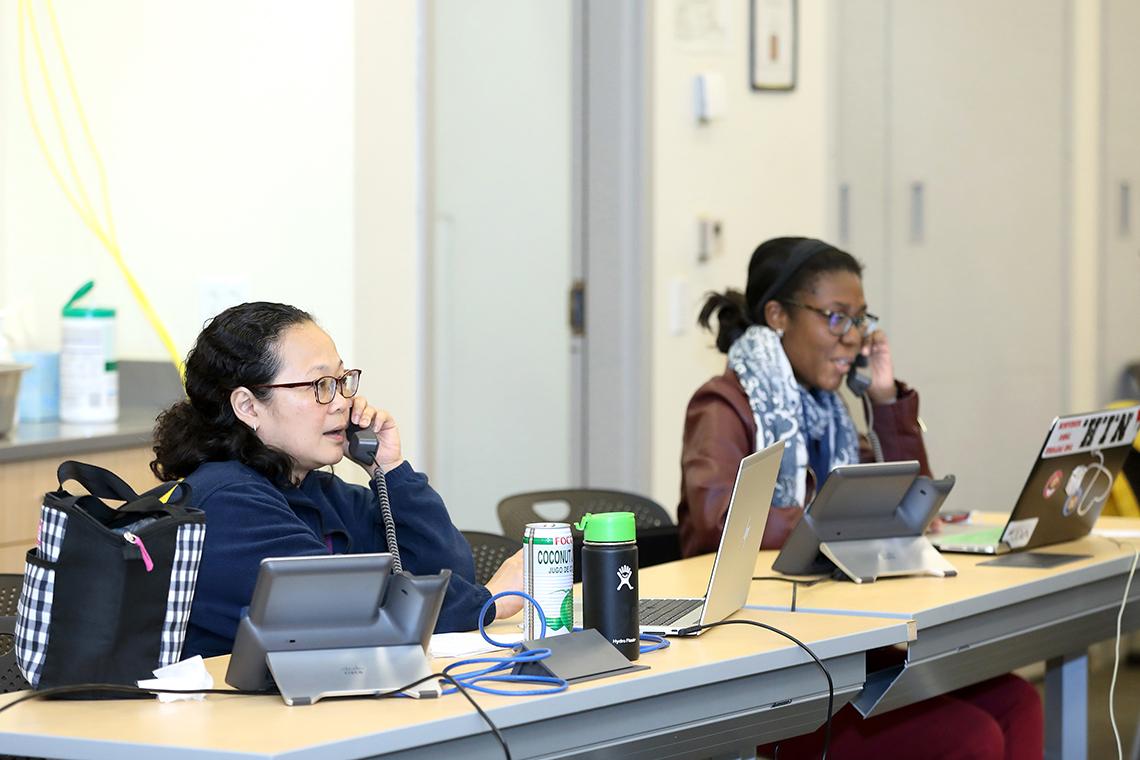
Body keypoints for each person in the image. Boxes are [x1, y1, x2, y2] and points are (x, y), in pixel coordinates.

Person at [679, 238, 1042, 760]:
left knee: (1017, 701)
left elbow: (909, 499)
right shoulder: (723, 405)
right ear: (778, 316)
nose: (852, 338)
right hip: (768, 663)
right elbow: (719, 524)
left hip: (840, 640)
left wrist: (884, 397)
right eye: (835, 318)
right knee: (972, 738)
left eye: (859, 319)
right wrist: (830, 523)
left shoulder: (830, 414)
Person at [152, 302, 523, 659]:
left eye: (342, 380)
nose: (342, 402)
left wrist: (390, 470)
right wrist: (490, 602)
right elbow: (349, 610)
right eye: (320, 386)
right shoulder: (225, 502)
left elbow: (449, 573)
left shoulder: (321, 492)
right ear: (249, 406)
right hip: (225, 719)